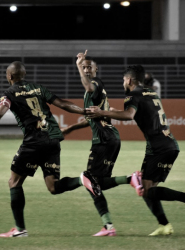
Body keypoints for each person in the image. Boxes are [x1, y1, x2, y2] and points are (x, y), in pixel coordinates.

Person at [0, 61, 101, 238]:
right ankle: (82, 179)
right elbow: (62, 104)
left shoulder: (9, 93)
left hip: (34, 142)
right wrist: (83, 111)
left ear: (10, 76)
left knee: (14, 182)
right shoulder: (38, 88)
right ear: (23, 75)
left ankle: (20, 229)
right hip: (53, 139)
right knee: (53, 187)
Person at [86, 65, 185, 236]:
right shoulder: (149, 91)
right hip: (163, 145)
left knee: (146, 190)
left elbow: (129, 115)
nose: (122, 82)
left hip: (160, 148)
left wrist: (102, 112)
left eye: (124, 79)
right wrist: (115, 111)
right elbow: (140, 113)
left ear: (130, 80)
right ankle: (164, 225)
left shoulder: (132, 95)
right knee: (146, 187)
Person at [61, 51, 140, 237]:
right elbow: (90, 118)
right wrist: (70, 129)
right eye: (85, 67)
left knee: (89, 179)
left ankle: (108, 226)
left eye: (90, 67)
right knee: (99, 184)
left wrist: (78, 65)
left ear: (96, 70)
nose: (87, 69)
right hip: (112, 138)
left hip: (103, 140)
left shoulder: (95, 84)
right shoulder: (98, 92)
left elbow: (88, 86)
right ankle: (131, 179)